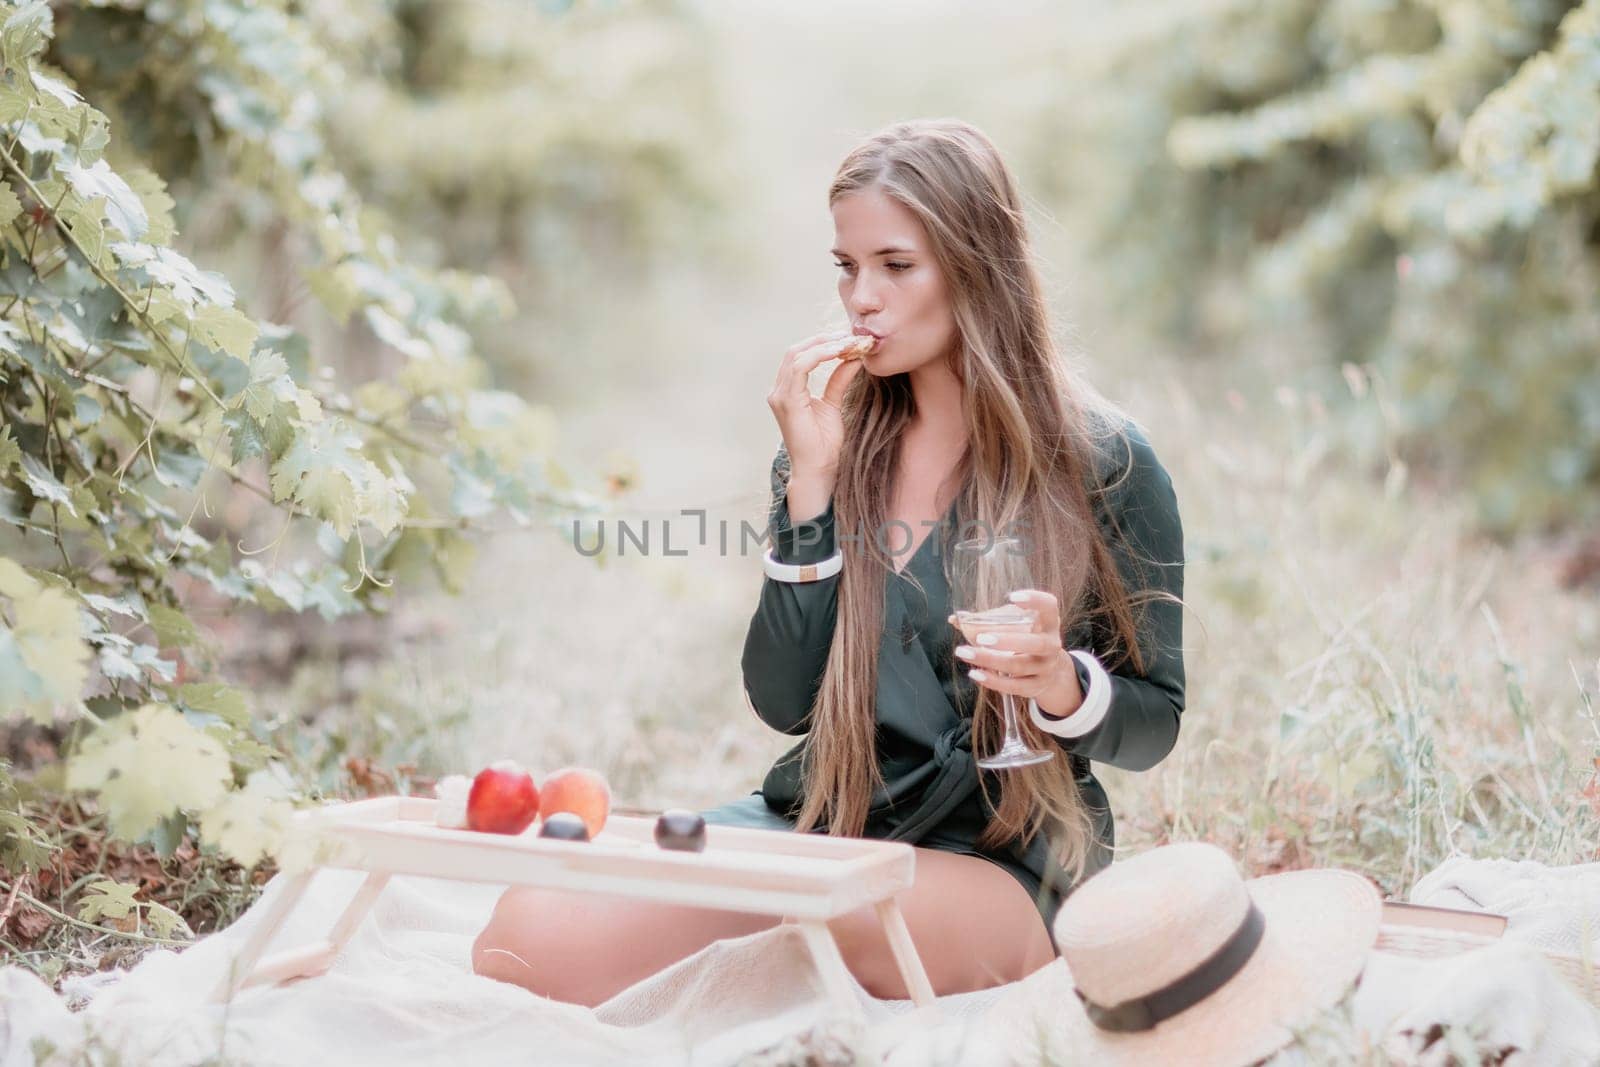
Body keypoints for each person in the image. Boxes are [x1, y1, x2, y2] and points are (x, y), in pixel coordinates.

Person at [470, 117, 1186, 1008]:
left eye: (895, 265)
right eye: (847, 267)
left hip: (1001, 858)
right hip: (822, 822)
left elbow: (1156, 719)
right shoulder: (833, 444)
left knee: (820, 928)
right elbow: (782, 700)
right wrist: (810, 487)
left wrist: (1060, 685)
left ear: (976, 265)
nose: (862, 299)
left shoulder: (1103, 459)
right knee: (525, 934)